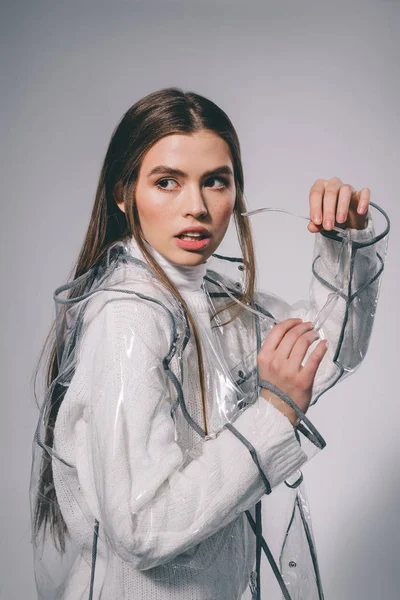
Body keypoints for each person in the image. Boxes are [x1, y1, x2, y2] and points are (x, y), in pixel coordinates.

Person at [30, 87, 388, 600]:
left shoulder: (218, 303)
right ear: (123, 193)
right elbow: (143, 525)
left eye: (215, 182)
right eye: (167, 182)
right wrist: (274, 411)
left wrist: (346, 241)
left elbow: (331, 351)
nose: (195, 207)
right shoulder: (129, 318)